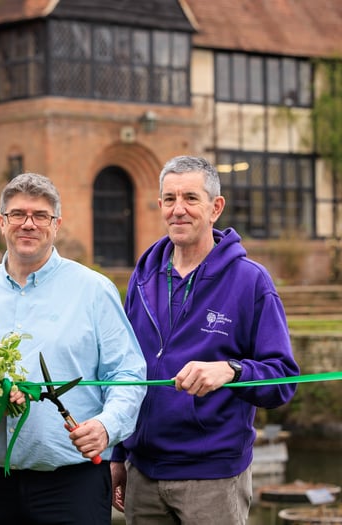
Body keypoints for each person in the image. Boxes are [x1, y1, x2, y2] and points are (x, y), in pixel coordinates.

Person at [0, 172, 147, 525]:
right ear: (1, 222)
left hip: (73, 485)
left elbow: (128, 373)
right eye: (18, 214)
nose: (28, 224)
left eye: (40, 216)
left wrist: (107, 425)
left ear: (56, 225)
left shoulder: (94, 291)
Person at [110, 155, 300, 525]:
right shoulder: (142, 278)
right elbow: (125, 370)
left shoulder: (251, 281)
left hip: (213, 476)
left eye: (190, 198)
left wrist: (232, 370)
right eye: (169, 199)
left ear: (216, 208)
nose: (178, 209)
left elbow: (284, 380)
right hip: (143, 473)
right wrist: (119, 453)